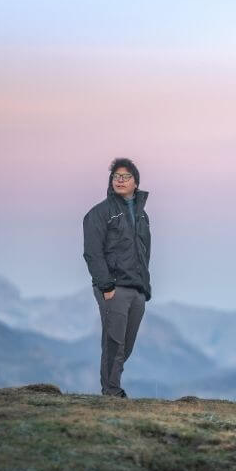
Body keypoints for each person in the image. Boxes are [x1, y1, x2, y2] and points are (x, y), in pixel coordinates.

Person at [82, 158, 152, 397]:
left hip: (137, 289)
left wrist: (145, 287)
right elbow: (92, 252)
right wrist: (106, 285)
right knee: (114, 342)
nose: (120, 180)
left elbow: (145, 252)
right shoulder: (100, 213)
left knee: (127, 344)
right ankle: (111, 391)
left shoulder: (142, 216)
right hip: (114, 288)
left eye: (126, 176)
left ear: (136, 183)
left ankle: (113, 386)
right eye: (116, 177)